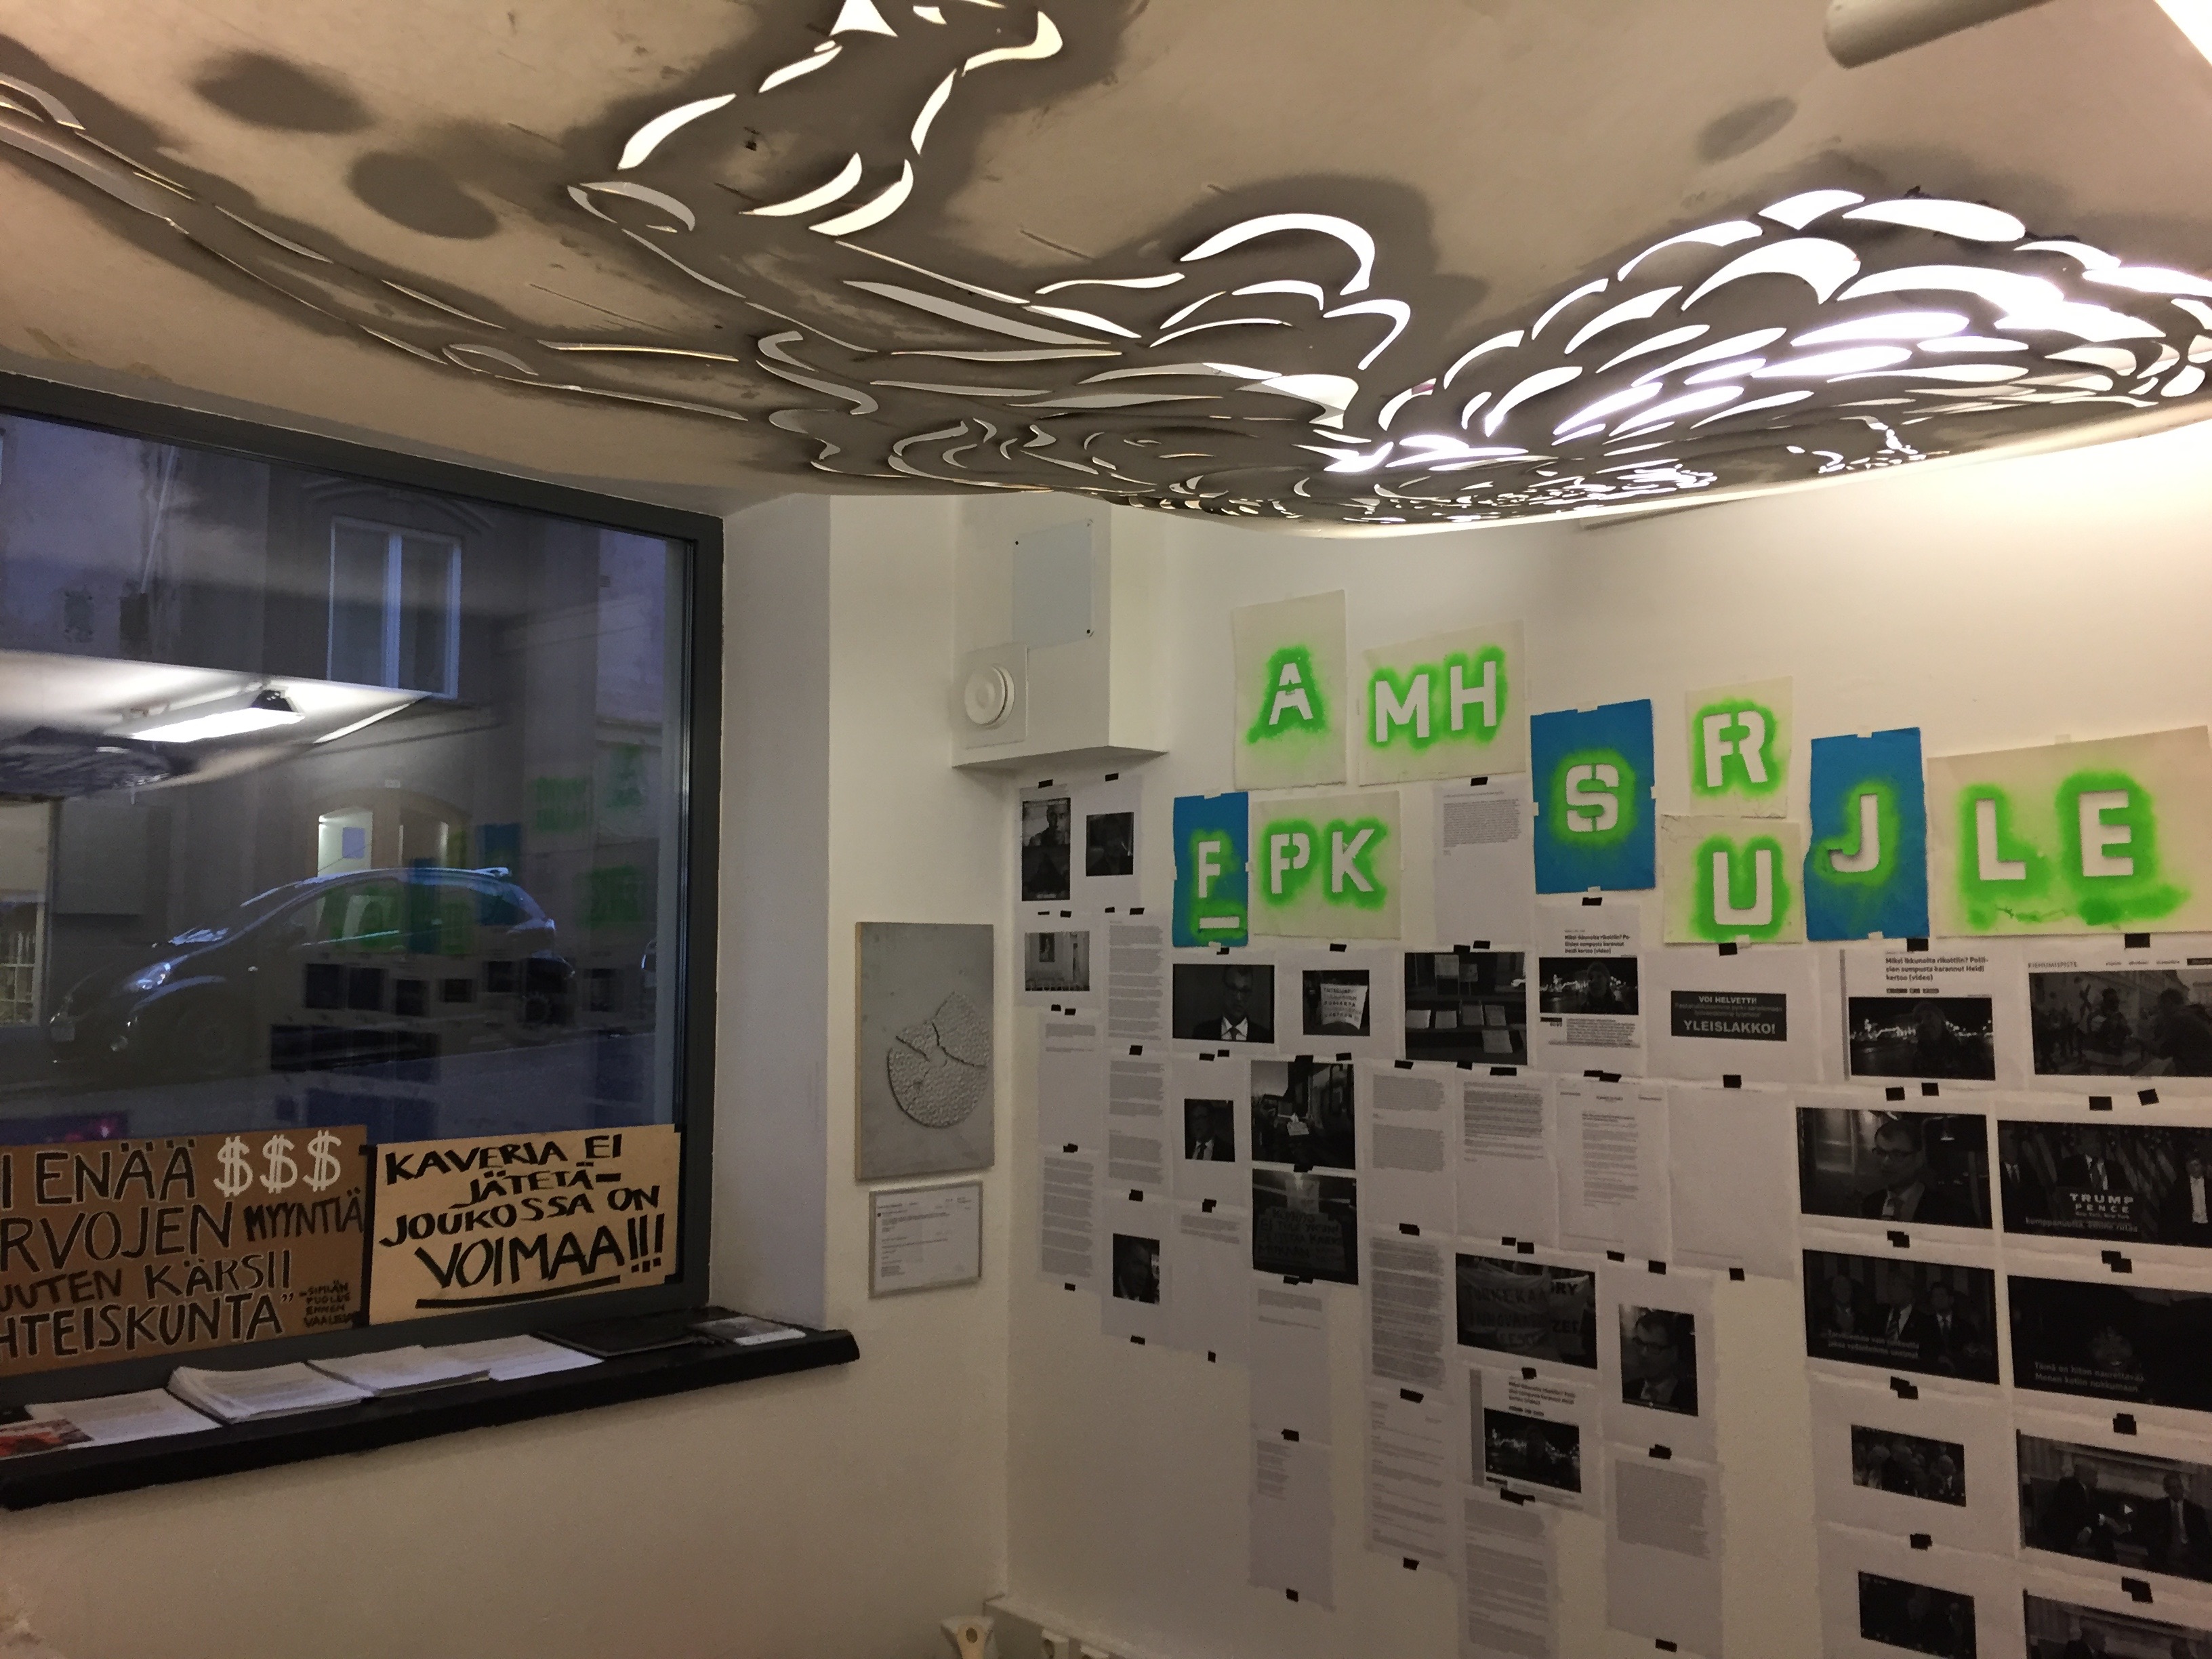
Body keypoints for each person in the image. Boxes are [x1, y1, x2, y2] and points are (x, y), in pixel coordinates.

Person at [1859, 1118, 1975, 1226]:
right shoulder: (1870, 1204)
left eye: (1897, 1154)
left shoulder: (1953, 1212)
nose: (1886, 1162)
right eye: (1881, 1152)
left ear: (1919, 1159)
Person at [1624, 1309, 1698, 1416]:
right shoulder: (1627, 1391)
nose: (1644, 1354)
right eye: (1639, 1343)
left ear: (1673, 1353)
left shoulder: (1691, 1402)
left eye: (1654, 1347)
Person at [2140, 1470, 2212, 1580]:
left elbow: (2204, 1536)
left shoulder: (2195, 1510)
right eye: (2173, 1488)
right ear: (2167, 1490)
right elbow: (2150, 1531)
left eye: (2179, 1487)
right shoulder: (2158, 1507)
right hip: (2167, 1549)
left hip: (2189, 1550)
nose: (2177, 1491)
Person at [2042, 1462, 2118, 1561]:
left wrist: (2088, 1529)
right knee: (2102, 1531)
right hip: (2063, 1529)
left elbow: (2091, 1512)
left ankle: (2110, 1564)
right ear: (2085, 1475)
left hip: (2079, 1527)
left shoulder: (2091, 1492)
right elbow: (2077, 1511)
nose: (2097, 1479)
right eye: (2094, 1475)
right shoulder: (2067, 1485)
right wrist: (2103, 1519)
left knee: (2103, 1533)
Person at [1192, 964, 1271, 1043]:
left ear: (1251, 994)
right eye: (1233, 989)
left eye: (1245, 991)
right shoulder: (1201, 1033)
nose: (1239, 998)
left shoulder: (1266, 1037)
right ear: (1223, 989)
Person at [2158, 1147, 2212, 1248]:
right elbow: (2174, 1211)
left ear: (2203, 1166)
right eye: (2190, 1166)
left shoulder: (2210, 1185)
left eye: (2196, 1165)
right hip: (2189, 1228)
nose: (2193, 1169)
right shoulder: (2180, 1186)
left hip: (2208, 1228)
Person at [2060, 1128, 2121, 1194]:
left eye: (2098, 1141)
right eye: (2092, 1142)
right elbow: (2064, 1193)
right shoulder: (2070, 1167)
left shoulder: (2116, 1168)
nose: (2098, 1145)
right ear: (2081, 1148)